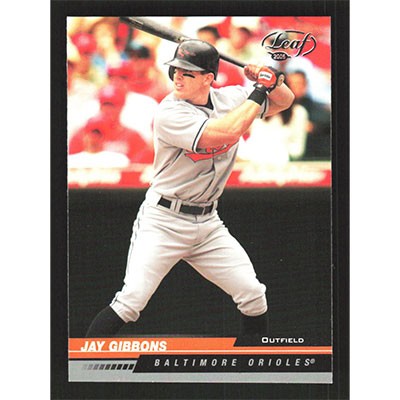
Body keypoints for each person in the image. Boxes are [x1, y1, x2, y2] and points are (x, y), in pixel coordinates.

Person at [85, 39, 294, 338]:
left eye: (187, 73)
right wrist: (261, 88)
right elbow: (228, 131)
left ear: (208, 78)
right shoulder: (169, 112)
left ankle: (252, 363)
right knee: (130, 302)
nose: (178, 78)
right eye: (175, 71)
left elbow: (285, 100)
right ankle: (85, 363)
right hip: (164, 220)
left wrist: (273, 80)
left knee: (253, 295)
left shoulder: (230, 98)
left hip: (208, 223)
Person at [69, 84, 154, 164]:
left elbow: (140, 165)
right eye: (105, 104)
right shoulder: (84, 133)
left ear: (121, 106)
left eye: (113, 105)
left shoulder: (132, 137)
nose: (108, 110)